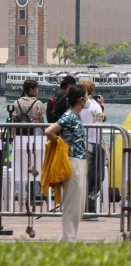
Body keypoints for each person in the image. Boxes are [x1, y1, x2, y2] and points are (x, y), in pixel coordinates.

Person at [44, 83, 88, 241]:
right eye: (87, 96)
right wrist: (59, 144)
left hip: (79, 160)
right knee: (72, 205)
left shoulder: (74, 116)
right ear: (81, 99)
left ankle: (67, 239)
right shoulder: (69, 116)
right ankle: (68, 240)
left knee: (78, 205)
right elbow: (48, 131)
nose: (88, 98)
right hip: (72, 161)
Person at [77, 78, 107, 212]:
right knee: (93, 178)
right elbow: (104, 117)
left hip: (86, 144)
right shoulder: (97, 105)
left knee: (84, 177)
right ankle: (91, 207)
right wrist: (103, 105)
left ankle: (85, 208)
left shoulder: (84, 105)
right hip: (97, 143)